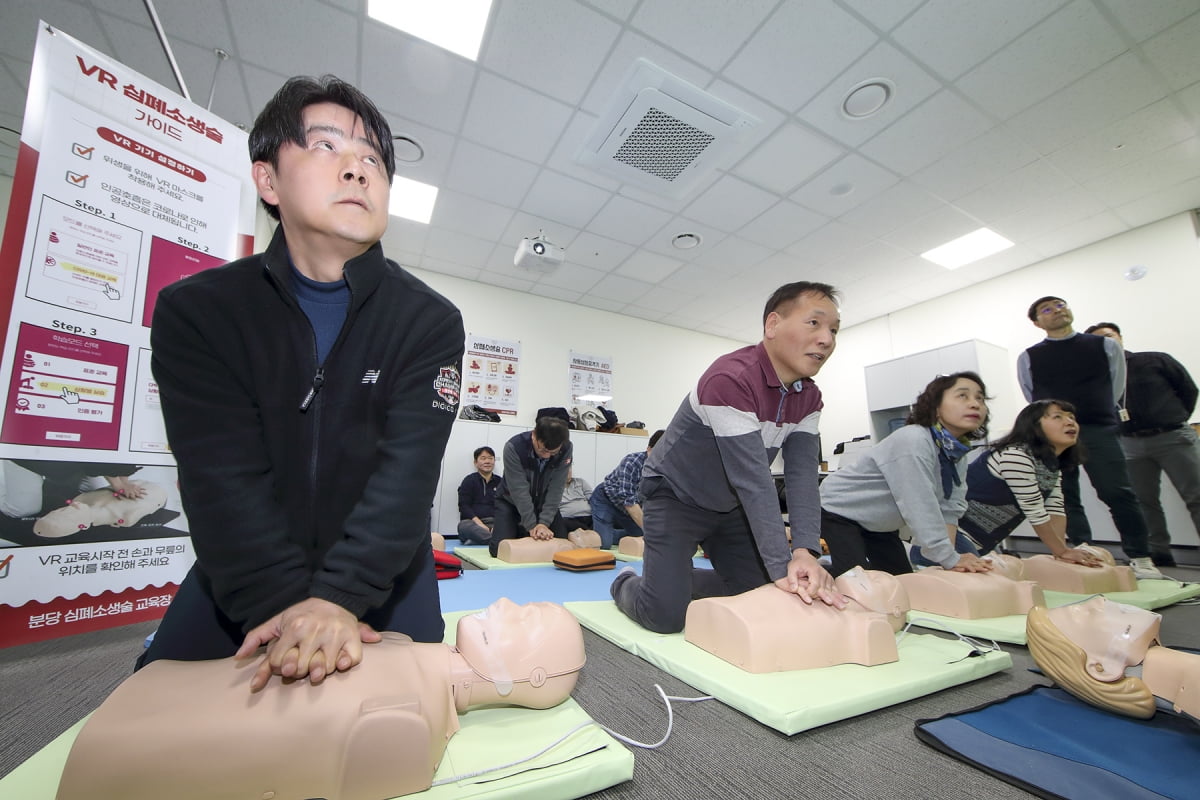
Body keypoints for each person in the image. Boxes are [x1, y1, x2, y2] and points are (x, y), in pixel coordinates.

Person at [142, 75, 465, 690]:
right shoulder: (198, 311)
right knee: (149, 727)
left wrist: (340, 597)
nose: (357, 169)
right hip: (248, 567)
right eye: (325, 147)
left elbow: (408, 479)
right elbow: (220, 477)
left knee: (418, 725)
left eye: (373, 158)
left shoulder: (430, 320)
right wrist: (282, 605)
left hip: (383, 569)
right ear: (267, 180)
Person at [57, 599, 584, 800]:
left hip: (123, 743)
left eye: (526, 617)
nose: (508, 600)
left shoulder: (408, 721)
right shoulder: (409, 653)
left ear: (533, 677)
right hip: (162, 691)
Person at [611, 282, 847, 635]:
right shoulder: (730, 378)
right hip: (677, 496)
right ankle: (628, 583)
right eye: (814, 323)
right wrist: (784, 566)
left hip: (730, 504)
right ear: (772, 325)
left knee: (762, 598)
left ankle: (675, 579)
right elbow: (753, 479)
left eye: (833, 329)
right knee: (665, 618)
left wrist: (804, 553)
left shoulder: (809, 397)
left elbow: (801, 479)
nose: (826, 339)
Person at [1017, 297, 1162, 579]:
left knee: (1117, 491)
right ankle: (1080, 548)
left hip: (1098, 426)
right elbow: (1031, 393)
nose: (1057, 310)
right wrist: (1052, 423)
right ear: (1036, 322)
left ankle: (1140, 556)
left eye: (1060, 305)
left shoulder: (1104, 345)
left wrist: (1099, 412)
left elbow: (1116, 385)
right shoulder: (1029, 357)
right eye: (1047, 309)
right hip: (1052, 435)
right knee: (1063, 496)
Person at [820, 372, 995, 577]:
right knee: (856, 580)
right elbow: (918, 503)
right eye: (962, 396)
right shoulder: (914, 439)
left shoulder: (956, 453)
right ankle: (811, 578)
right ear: (936, 406)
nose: (975, 404)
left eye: (980, 398)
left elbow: (950, 507)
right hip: (839, 509)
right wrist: (949, 558)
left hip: (877, 523)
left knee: (901, 579)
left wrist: (948, 558)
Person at [1085, 322, 1199, 568]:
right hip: (1129, 444)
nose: (1106, 343)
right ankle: (1159, 553)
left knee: (1197, 496)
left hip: (1172, 436)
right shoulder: (1097, 378)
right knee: (1143, 501)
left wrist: (1175, 417)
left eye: (1109, 336)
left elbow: (1188, 390)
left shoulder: (1155, 360)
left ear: (1120, 337)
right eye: (1098, 341)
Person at [951, 400, 1103, 567]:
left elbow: (1054, 508)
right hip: (951, 533)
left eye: (1072, 417)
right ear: (1034, 426)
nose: (1069, 422)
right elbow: (1035, 511)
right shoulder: (1016, 455)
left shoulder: (1051, 465)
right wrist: (1062, 551)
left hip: (977, 540)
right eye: (1057, 417)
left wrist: (1061, 551)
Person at [488, 417, 573, 557]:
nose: (547, 456)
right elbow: (518, 490)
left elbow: (556, 488)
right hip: (511, 501)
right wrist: (532, 526)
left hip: (543, 502)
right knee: (499, 550)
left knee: (562, 547)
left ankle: (523, 532)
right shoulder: (514, 447)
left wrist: (544, 523)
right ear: (534, 435)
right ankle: (517, 530)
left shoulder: (566, 448)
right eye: (543, 450)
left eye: (553, 453)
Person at [589, 429, 666, 548]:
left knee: (642, 536)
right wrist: (651, 532)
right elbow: (629, 502)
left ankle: (609, 533)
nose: (660, 461)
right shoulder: (632, 462)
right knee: (604, 544)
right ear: (649, 449)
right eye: (658, 455)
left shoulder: (667, 470)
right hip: (606, 499)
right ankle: (589, 534)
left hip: (630, 508)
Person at [456, 446, 503, 545]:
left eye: (490, 458)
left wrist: (498, 525)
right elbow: (464, 506)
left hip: (495, 523)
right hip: (474, 523)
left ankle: (480, 540)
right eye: (483, 458)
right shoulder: (469, 481)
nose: (487, 461)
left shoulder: (501, 482)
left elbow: (504, 506)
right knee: (463, 526)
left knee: (514, 525)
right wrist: (480, 524)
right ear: (475, 462)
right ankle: (497, 541)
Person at [558, 467, 595, 532]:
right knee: (563, 523)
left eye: (570, 468)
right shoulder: (553, 487)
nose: (569, 472)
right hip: (570, 519)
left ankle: (586, 533)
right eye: (565, 469)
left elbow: (593, 499)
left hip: (589, 516)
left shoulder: (581, 482)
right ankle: (588, 532)